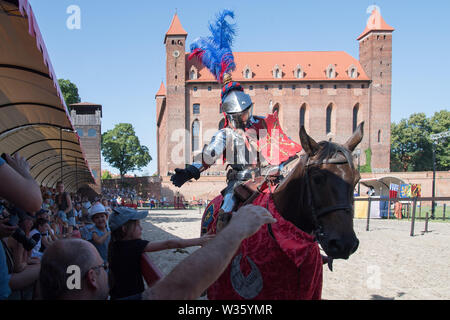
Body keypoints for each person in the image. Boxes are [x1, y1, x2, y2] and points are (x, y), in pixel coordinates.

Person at [170, 11, 302, 231]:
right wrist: (190, 171)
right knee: (226, 212)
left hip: (268, 181)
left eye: (245, 111)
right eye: (239, 114)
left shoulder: (264, 124)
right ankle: (222, 250)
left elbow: (280, 151)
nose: (244, 117)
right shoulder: (225, 133)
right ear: (229, 115)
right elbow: (209, 155)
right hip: (239, 184)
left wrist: (276, 168)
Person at [39, 204, 276, 300]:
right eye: (101, 268)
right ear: (91, 278)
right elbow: (178, 286)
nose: (104, 270)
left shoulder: (112, 246)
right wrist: (235, 231)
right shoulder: (130, 246)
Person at [107, 207, 215, 300]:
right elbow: (169, 244)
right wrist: (199, 241)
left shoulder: (113, 245)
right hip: (132, 296)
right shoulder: (134, 246)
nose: (141, 228)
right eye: (137, 225)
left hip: (116, 295)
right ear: (125, 229)